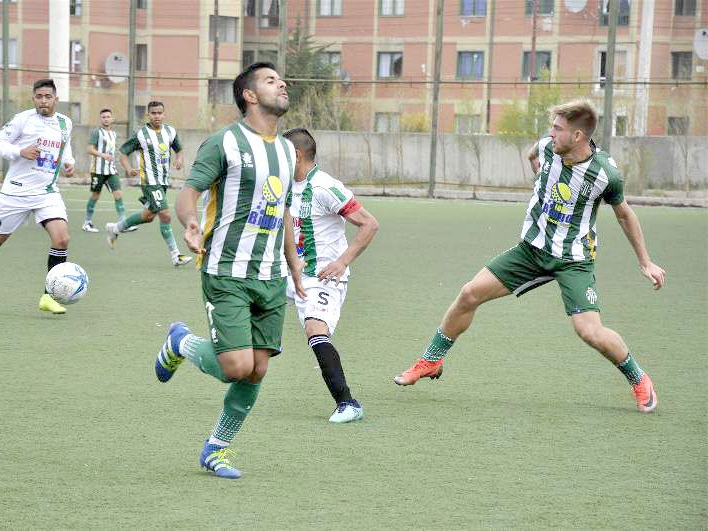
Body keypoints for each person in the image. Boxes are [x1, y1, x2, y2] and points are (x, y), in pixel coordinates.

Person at [394, 99, 666, 414]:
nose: (551, 134)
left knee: (589, 331)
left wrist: (645, 261)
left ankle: (638, 378)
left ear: (578, 136)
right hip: (530, 250)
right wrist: (540, 180)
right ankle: (431, 360)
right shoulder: (549, 147)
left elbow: (624, 214)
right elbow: (532, 154)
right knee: (469, 294)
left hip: (573, 259)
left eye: (558, 129)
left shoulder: (605, 173)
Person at [153, 62, 303, 479]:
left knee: (257, 368)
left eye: (281, 79)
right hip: (227, 269)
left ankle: (216, 449)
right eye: (272, 81)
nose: (282, 84)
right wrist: (190, 223)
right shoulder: (225, 143)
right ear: (250, 95)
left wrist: (293, 265)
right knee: (235, 366)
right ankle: (181, 343)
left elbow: (284, 209)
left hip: (270, 276)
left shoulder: (288, 150)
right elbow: (189, 194)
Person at [282, 128, 379, 423]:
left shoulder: (325, 186)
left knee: (315, 328)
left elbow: (369, 224)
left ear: (296, 155)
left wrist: (342, 261)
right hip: (287, 275)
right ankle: (185, 345)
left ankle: (348, 404)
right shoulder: (282, 186)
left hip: (321, 278)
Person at [0, 78, 75, 315]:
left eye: (48, 96)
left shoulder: (65, 123)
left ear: (56, 99)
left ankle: (48, 296)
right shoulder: (23, 119)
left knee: (61, 239)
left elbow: (65, 148)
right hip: (15, 193)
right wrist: (19, 151)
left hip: (46, 193)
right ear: (33, 98)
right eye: (39, 96)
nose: (44, 101)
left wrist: (69, 163)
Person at [105, 101, 192, 267]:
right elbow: (123, 153)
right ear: (148, 115)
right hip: (149, 182)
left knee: (148, 216)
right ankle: (176, 256)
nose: (157, 116)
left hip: (163, 181)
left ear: (164, 114)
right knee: (165, 214)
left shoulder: (170, 131)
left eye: (160, 113)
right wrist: (129, 168)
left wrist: (179, 160)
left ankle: (115, 229)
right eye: (153, 113)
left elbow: (179, 149)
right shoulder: (141, 135)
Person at [81, 108, 135, 233]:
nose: (106, 119)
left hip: (111, 170)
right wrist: (102, 155)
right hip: (98, 170)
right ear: (101, 119)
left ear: (112, 119)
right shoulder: (96, 132)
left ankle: (123, 223)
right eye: (103, 117)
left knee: (118, 195)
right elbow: (89, 149)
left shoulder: (114, 134)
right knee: (96, 195)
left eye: (108, 116)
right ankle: (87, 223)